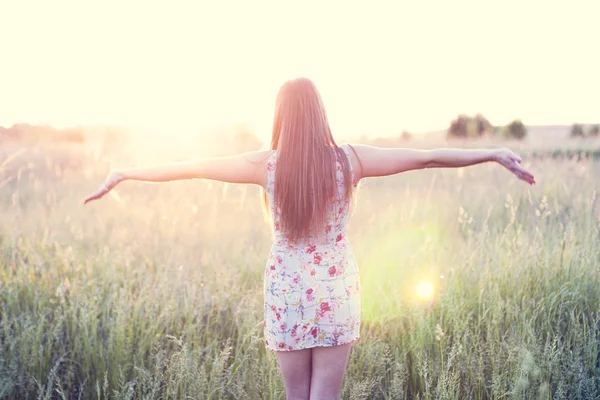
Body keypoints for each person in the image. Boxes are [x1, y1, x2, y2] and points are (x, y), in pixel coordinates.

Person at [84, 77, 535, 400]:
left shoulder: (266, 165)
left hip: (287, 289)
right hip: (336, 288)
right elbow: (426, 159)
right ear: (321, 113)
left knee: (297, 396)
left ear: (280, 116)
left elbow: (191, 166)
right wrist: (492, 152)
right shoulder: (350, 160)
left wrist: (126, 172)